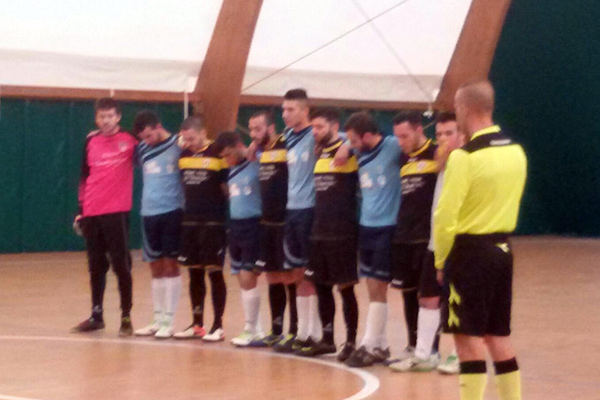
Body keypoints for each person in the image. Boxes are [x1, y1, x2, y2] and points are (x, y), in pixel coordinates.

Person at [434, 81, 527, 400]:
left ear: (466, 108)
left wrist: (440, 260)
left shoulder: (465, 156)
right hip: (503, 250)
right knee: (497, 335)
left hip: (470, 253)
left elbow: (446, 215)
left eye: (456, 107)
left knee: (466, 338)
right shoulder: (515, 151)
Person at [71, 97, 138, 336]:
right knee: (96, 266)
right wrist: (81, 210)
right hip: (92, 212)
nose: (106, 120)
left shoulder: (131, 140)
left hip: (116, 212)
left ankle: (126, 317)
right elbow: (84, 176)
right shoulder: (91, 140)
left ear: (118, 117)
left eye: (110, 116)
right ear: (96, 118)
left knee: (122, 266)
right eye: (102, 116)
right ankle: (96, 315)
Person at [297, 108, 359, 360]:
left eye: (320, 127)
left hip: (342, 231)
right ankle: (327, 339)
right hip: (319, 230)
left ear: (335, 126)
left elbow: (369, 142)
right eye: (313, 127)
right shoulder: (319, 152)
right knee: (321, 286)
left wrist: (348, 145)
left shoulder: (349, 151)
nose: (315, 131)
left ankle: (351, 341)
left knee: (345, 288)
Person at [343, 112, 402, 367]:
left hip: (387, 227)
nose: (352, 145)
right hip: (365, 226)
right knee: (371, 287)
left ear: (368, 136)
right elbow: (335, 136)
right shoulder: (358, 150)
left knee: (378, 287)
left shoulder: (392, 146)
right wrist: (346, 146)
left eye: (355, 141)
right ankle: (381, 344)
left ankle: (368, 344)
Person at [388, 110, 441, 371]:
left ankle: (432, 349)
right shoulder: (402, 158)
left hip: (426, 237)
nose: (401, 142)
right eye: (397, 137)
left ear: (420, 130)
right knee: (408, 293)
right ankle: (413, 345)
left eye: (405, 136)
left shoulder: (437, 153)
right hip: (404, 235)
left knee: (428, 295)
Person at [274, 89, 322, 353]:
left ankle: (314, 332)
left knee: (308, 271)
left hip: (309, 209)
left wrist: (345, 147)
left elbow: (343, 140)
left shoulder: (315, 134)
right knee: (294, 272)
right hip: (291, 209)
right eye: (283, 109)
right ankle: (302, 332)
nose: (285, 114)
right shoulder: (287, 137)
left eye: (291, 109)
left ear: (305, 111)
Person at [174, 116, 228, 342]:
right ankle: (197, 325)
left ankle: (218, 325)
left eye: (192, 138)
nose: (189, 143)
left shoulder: (218, 153)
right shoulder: (184, 155)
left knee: (214, 271)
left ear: (203, 133)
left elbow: (226, 187)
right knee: (194, 272)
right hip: (190, 222)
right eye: (185, 139)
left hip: (213, 222)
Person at [131, 110, 184, 339]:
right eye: (143, 138)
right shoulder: (142, 149)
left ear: (159, 127)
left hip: (173, 211)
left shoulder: (179, 145)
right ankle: (158, 318)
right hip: (149, 212)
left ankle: (169, 321)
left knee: (171, 265)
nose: (146, 141)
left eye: (149, 136)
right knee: (155, 266)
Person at [248, 110, 298, 347]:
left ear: (270, 127)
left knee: (290, 276)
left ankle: (295, 331)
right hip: (266, 221)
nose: (253, 134)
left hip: (285, 220)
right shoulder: (261, 150)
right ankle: (276, 329)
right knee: (272, 276)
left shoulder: (287, 143)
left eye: (258, 129)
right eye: (251, 129)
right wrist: (253, 146)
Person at [215, 130, 266, 347]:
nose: (227, 159)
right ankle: (257, 329)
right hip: (235, 225)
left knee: (248, 276)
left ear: (238, 145)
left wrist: (257, 147)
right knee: (239, 276)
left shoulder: (257, 162)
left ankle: (250, 328)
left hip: (254, 225)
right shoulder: (230, 169)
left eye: (228, 154)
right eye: (223, 157)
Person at [431, 112, 464, 375]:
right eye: (439, 134)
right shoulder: (443, 163)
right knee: (442, 300)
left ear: (462, 134)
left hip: (460, 243)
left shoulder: (465, 162)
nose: (443, 139)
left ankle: (460, 353)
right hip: (438, 243)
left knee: (459, 299)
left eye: (449, 133)